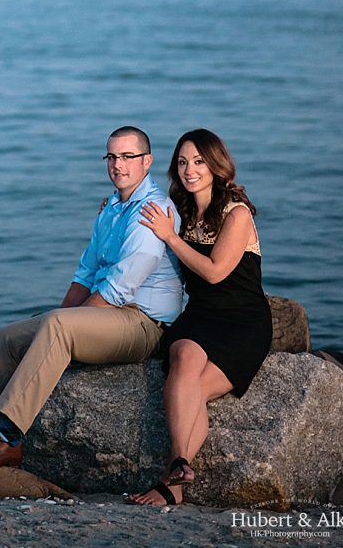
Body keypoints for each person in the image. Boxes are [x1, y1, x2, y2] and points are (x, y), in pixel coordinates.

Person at [0, 126, 183, 471]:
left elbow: (120, 287)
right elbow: (85, 273)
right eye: (111, 157)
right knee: (11, 336)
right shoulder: (112, 209)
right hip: (110, 314)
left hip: (143, 324)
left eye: (127, 156)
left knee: (58, 326)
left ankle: (8, 440)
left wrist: (66, 323)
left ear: (146, 161)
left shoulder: (153, 210)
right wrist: (56, 320)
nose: (118, 165)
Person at [128, 128, 272, 508]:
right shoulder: (181, 210)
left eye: (198, 161)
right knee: (183, 357)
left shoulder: (236, 213)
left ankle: (170, 480)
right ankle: (179, 464)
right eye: (182, 162)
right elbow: (141, 224)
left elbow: (214, 272)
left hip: (243, 321)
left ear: (215, 164)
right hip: (201, 314)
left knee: (195, 392)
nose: (189, 170)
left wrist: (172, 238)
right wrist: (113, 211)